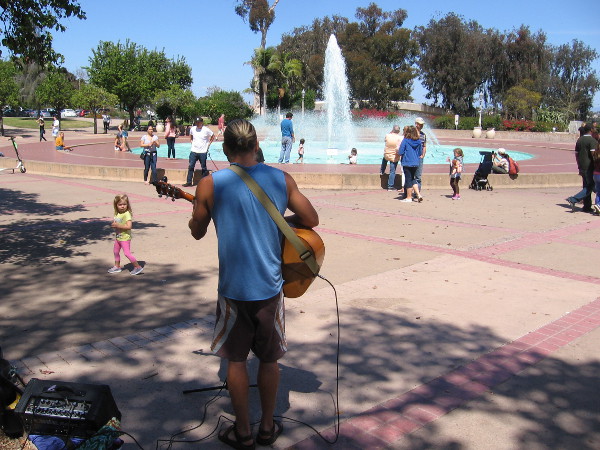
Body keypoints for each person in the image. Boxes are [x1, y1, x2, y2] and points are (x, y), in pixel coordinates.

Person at [188, 118, 318, 450]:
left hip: (233, 289)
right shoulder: (281, 179)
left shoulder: (210, 184)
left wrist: (197, 213)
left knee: (235, 361)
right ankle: (268, 426)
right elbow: (311, 219)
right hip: (270, 287)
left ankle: (243, 433)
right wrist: (276, 220)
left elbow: (197, 231)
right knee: (269, 359)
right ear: (256, 144)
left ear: (225, 148)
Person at [108, 194, 144, 275]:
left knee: (127, 253)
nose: (122, 206)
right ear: (116, 205)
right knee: (115, 252)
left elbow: (129, 226)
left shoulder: (127, 214)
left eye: (124, 204)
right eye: (120, 204)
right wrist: (114, 224)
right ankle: (117, 267)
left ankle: (137, 267)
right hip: (118, 237)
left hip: (125, 238)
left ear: (127, 205)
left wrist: (118, 225)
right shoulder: (117, 213)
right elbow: (117, 222)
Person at [566, 123, 597, 212]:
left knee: (586, 186)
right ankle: (574, 199)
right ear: (591, 130)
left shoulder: (579, 140)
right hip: (590, 167)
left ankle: (587, 206)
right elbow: (593, 155)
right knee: (591, 186)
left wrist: (579, 166)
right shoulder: (592, 141)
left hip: (582, 166)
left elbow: (576, 155)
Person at [183, 118, 215, 187]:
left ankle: (204, 182)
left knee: (203, 167)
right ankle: (189, 181)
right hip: (194, 151)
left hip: (203, 151)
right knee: (191, 166)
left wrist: (208, 144)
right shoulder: (193, 129)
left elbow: (213, 136)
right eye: (196, 122)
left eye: (199, 122)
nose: (197, 124)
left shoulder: (206, 130)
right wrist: (191, 141)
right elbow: (191, 135)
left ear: (202, 123)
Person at [398, 125, 423, 203]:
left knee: (408, 179)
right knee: (413, 179)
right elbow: (420, 153)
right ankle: (418, 194)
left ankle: (409, 197)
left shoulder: (405, 140)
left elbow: (400, 152)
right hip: (416, 162)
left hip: (407, 162)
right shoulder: (419, 141)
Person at [381, 125, 402, 191]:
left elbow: (385, 140)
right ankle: (390, 186)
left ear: (392, 130)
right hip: (394, 156)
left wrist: (391, 132)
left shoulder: (387, 135)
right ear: (399, 131)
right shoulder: (400, 138)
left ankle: (382, 171)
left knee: (384, 160)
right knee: (392, 171)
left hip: (387, 154)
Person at [414, 117, 427, 194]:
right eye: (420, 124)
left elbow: (424, 145)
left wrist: (423, 155)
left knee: (418, 176)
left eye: (422, 124)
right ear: (416, 124)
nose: (422, 126)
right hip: (412, 157)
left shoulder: (423, 135)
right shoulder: (411, 133)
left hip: (419, 158)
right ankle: (407, 193)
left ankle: (417, 193)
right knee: (410, 176)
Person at [592, 141, 600, 214]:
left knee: (598, 192)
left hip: (595, 174)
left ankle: (597, 208)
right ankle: (599, 205)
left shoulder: (595, 152)